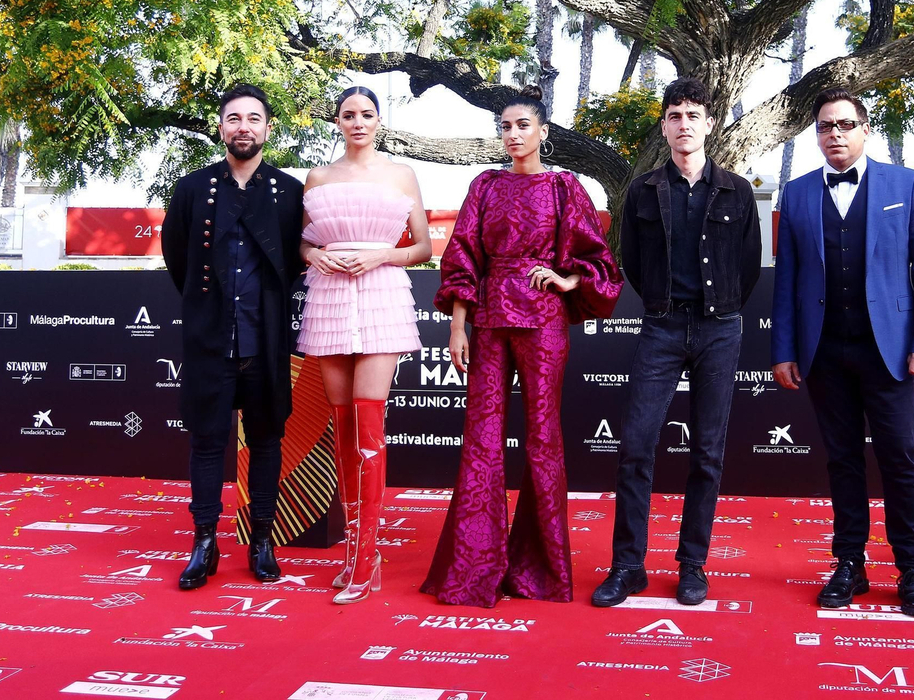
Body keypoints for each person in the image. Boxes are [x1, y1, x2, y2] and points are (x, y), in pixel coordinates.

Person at [421, 84, 622, 608]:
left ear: (542, 132)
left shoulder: (564, 187)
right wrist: (457, 327)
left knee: (542, 438)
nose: (512, 134)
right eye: (505, 127)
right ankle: (472, 572)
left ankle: (541, 571)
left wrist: (568, 280)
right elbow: (463, 256)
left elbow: (598, 259)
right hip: (489, 320)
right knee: (481, 439)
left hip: (544, 320)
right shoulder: (484, 185)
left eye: (522, 125)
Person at [770, 87, 914, 618]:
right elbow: (787, 280)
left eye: (845, 124)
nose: (835, 134)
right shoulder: (796, 194)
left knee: (899, 459)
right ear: (816, 135)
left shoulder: (906, 184)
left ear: (864, 130)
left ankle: (911, 568)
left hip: (888, 350)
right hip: (824, 351)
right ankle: (849, 563)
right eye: (826, 126)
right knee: (842, 460)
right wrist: (784, 348)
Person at [592, 77, 761, 608]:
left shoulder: (737, 190)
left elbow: (749, 264)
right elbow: (632, 262)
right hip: (662, 326)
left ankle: (692, 565)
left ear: (709, 124)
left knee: (707, 452)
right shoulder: (642, 190)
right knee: (635, 447)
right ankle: (628, 565)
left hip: (719, 329)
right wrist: (663, 304)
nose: (683, 124)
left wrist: (721, 308)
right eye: (674, 115)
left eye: (692, 115)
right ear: (663, 126)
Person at [161, 83, 305, 591]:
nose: (244, 127)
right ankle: (204, 542)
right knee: (206, 441)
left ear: (268, 128)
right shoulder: (191, 189)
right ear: (221, 127)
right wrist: (208, 309)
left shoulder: (290, 192)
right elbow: (177, 258)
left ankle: (262, 540)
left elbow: (295, 261)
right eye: (234, 118)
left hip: (265, 340)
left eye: (253, 118)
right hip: (210, 338)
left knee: (266, 440)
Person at [298, 86, 431, 604]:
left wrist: (380, 256)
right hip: (329, 298)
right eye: (348, 114)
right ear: (336, 121)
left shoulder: (402, 174)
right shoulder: (318, 177)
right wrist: (314, 255)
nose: (358, 122)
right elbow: (303, 241)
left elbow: (423, 247)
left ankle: (366, 557)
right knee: (344, 430)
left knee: (370, 428)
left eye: (367, 114)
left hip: (381, 296)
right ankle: (357, 553)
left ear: (379, 120)